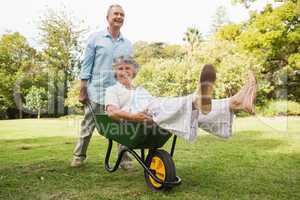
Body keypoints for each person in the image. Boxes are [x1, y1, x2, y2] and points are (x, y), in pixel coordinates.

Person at [105, 56, 257, 141]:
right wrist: (133, 116)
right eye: (120, 69)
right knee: (182, 106)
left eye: (127, 68)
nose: (124, 71)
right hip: (138, 116)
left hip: (153, 112)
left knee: (193, 112)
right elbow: (111, 112)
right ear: (115, 73)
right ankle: (230, 102)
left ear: (133, 72)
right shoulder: (112, 90)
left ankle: (235, 103)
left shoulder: (140, 90)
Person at [71, 4, 133, 168]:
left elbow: (128, 69)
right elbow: (86, 65)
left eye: (122, 15)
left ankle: (124, 160)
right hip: (96, 91)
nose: (119, 17)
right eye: (116, 14)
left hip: (118, 93)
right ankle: (79, 157)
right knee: (88, 125)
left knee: (122, 126)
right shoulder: (95, 38)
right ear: (108, 17)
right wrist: (83, 89)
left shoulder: (128, 44)